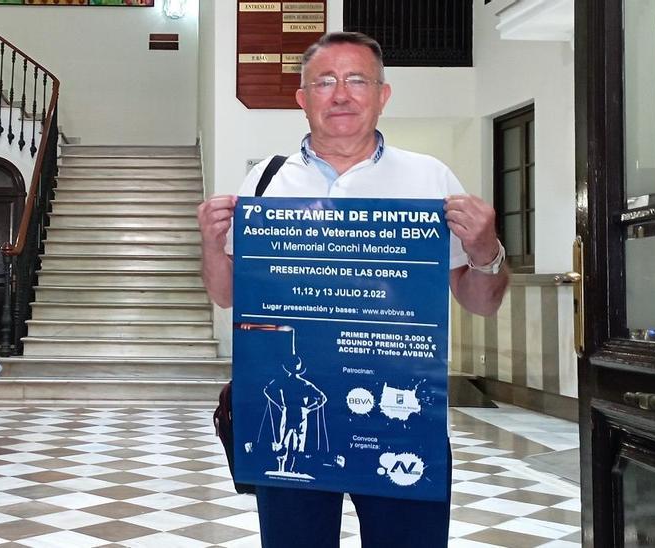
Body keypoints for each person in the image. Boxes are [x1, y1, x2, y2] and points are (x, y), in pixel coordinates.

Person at [197, 31, 509, 547]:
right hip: (288, 427)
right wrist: (211, 244)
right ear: (302, 99)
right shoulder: (265, 181)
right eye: (324, 81)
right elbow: (228, 296)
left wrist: (485, 249)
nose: (340, 94)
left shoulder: (430, 179)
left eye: (356, 80)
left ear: (382, 95)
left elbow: (482, 300)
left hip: (401, 417)